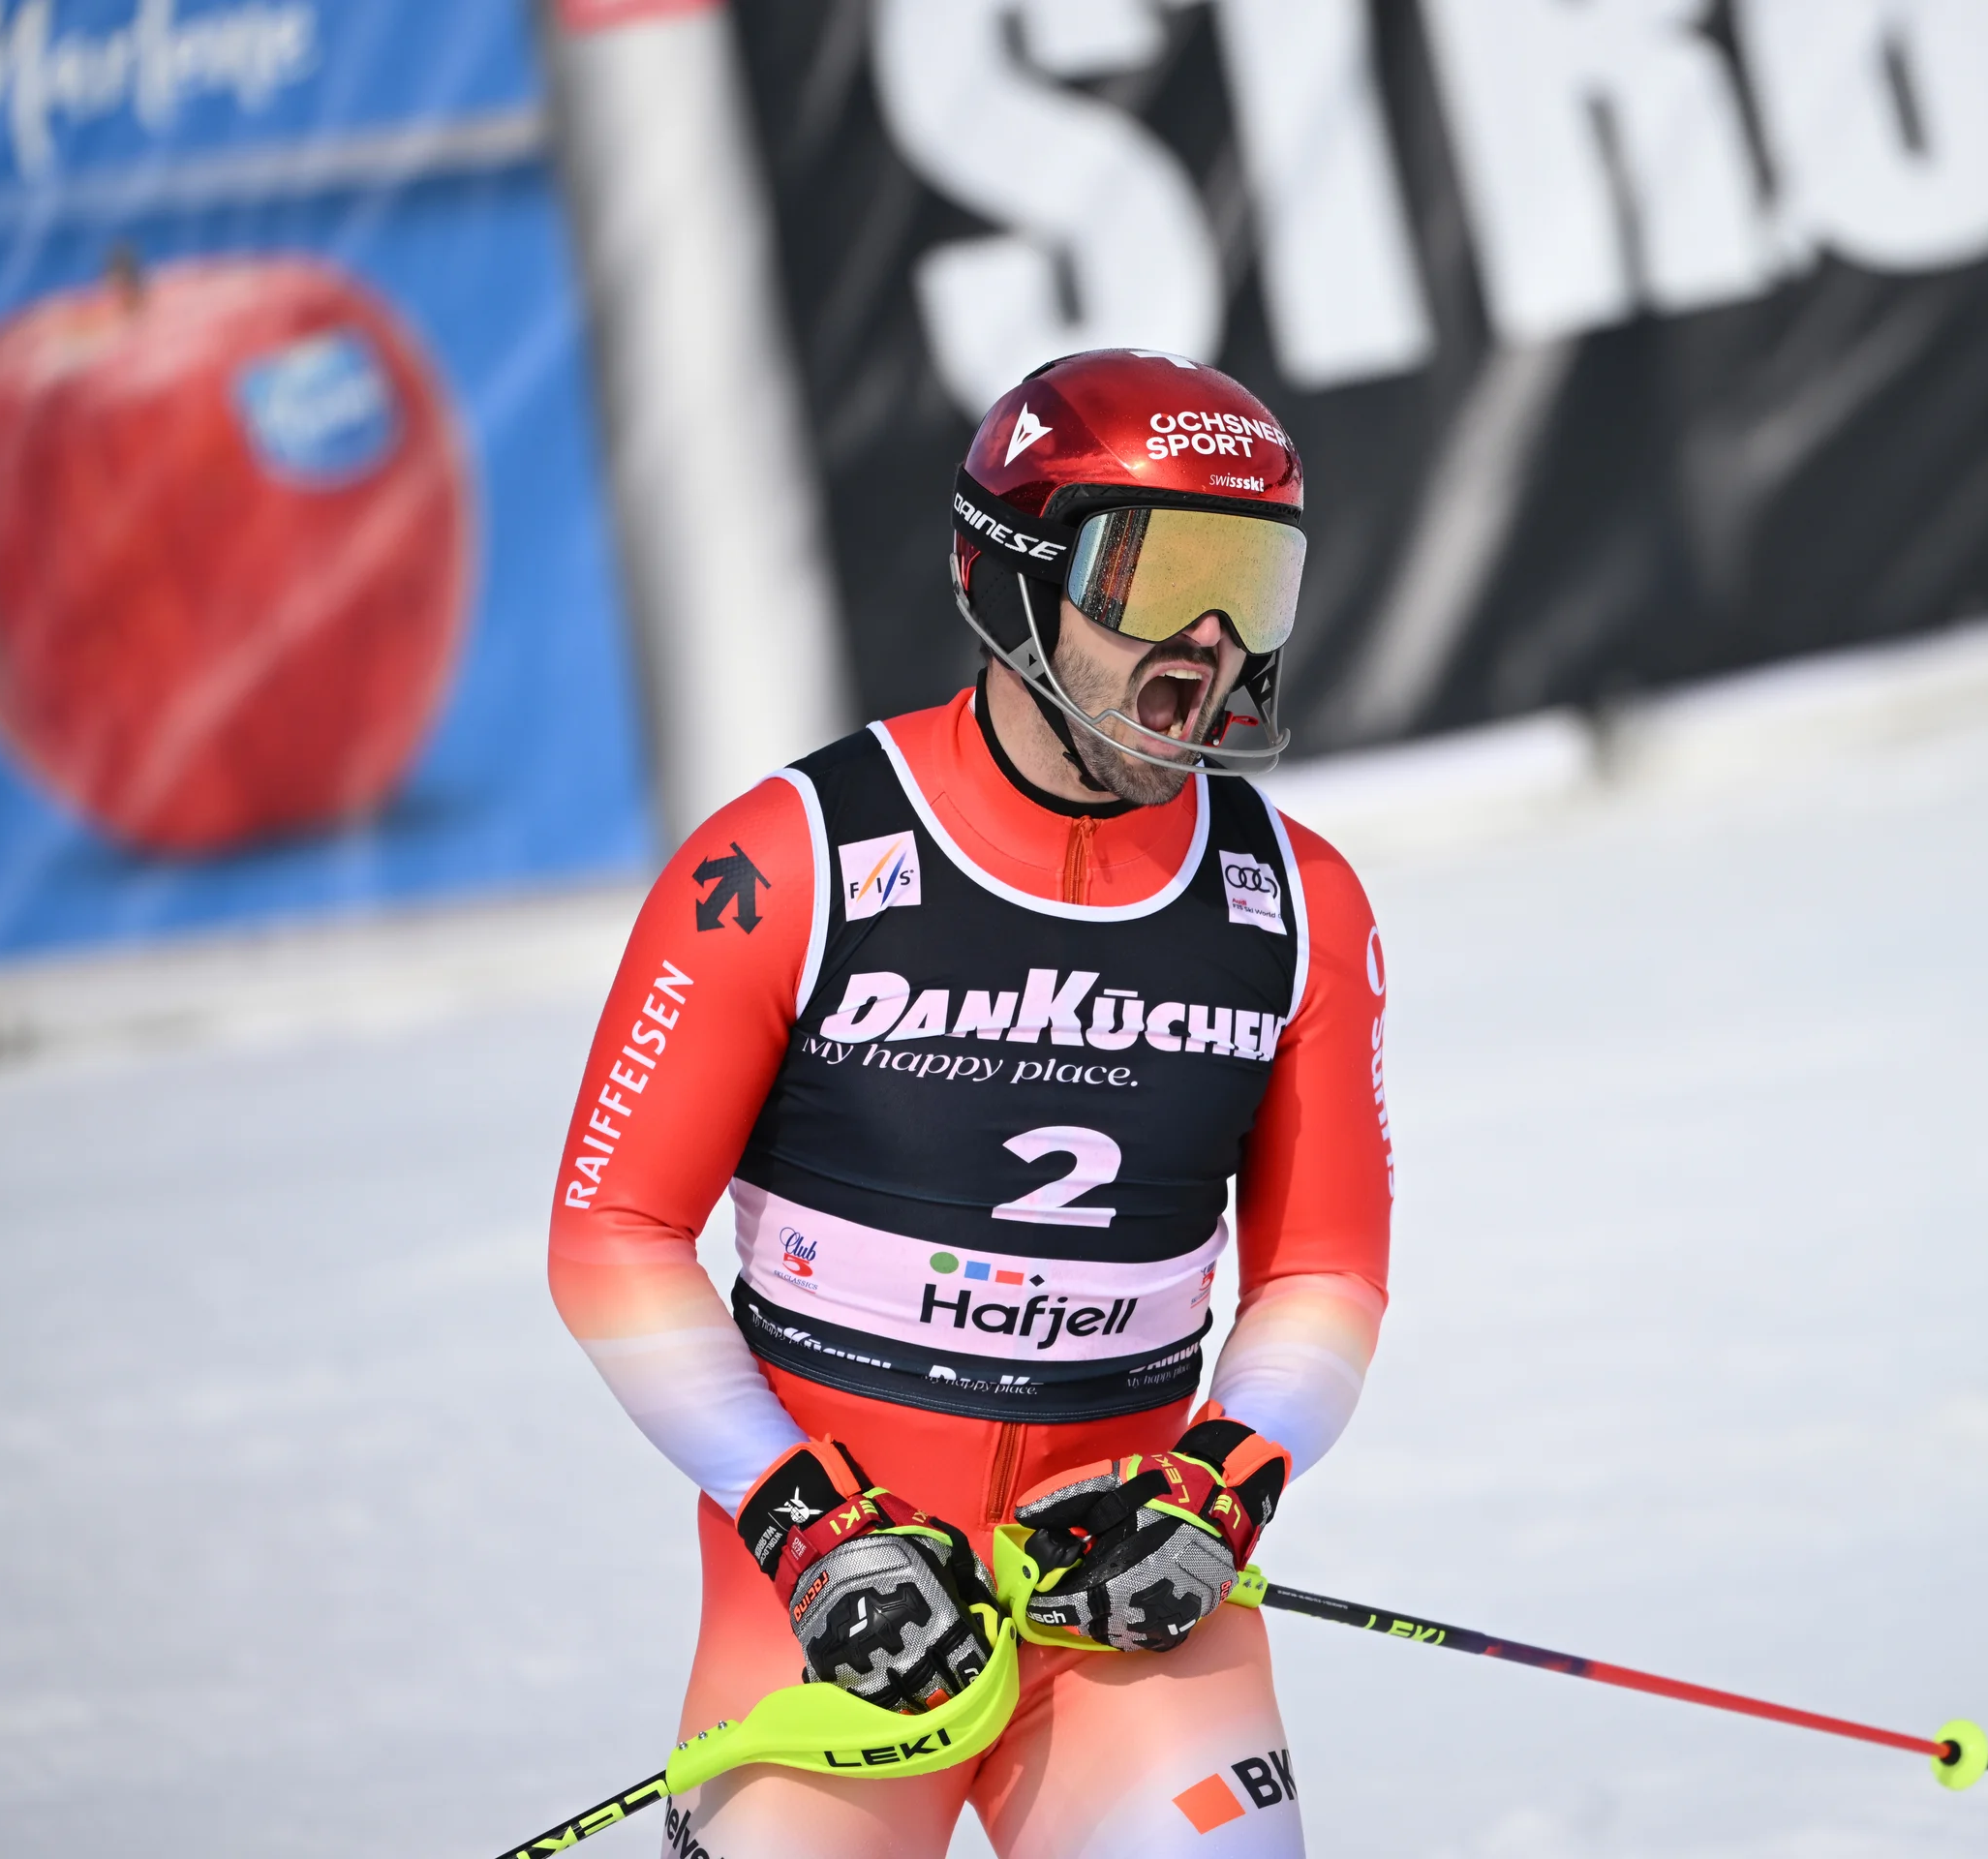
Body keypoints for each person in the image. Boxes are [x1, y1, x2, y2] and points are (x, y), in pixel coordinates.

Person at [546, 350, 1392, 1859]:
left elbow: (1324, 1270)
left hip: (1124, 1599)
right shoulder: (787, 861)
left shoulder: (1298, 902)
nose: (1209, 645)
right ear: (1010, 575)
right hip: (838, 1605)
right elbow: (610, 1233)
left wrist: (1224, 1481)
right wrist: (804, 1523)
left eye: (1250, 583)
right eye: (1158, 575)